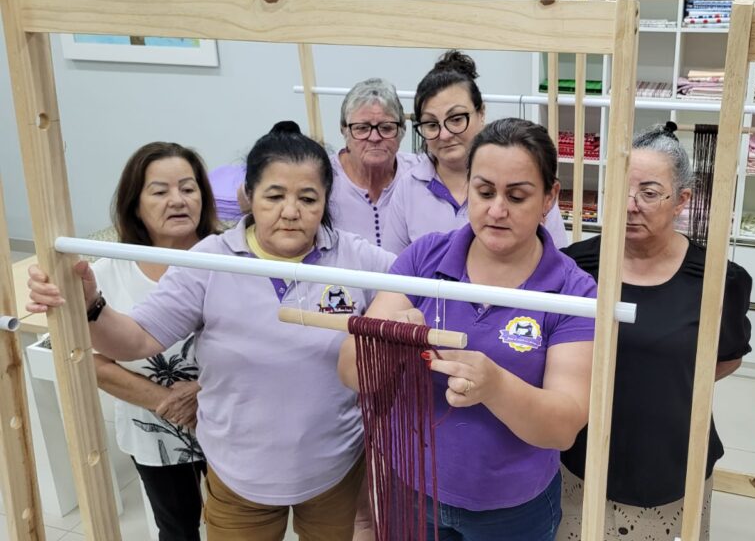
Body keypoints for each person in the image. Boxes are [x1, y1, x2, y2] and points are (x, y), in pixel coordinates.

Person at [28, 122, 396, 541]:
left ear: (326, 200)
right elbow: (136, 340)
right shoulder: (211, 260)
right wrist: (91, 305)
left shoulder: (354, 257)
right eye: (274, 196)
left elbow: (417, 282)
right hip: (238, 474)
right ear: (249, 195)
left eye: (308, 198)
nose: (291, 211)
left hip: (333, 469)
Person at [340, 117, 596, 540]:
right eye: (484, 192)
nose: (497, 210)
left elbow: (563, 426)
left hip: (514, 511)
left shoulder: (572, 291)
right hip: (411, 490)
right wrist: (386, 345)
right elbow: (351, 371)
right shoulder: (426, 258)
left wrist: (495, 387)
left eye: (517, 196)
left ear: (550, 197)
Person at [556, 122, 753, 541]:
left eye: (648, 193)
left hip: (673, 462)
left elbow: (726, 358)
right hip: (580, 459)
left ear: (682, 200)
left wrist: (663, 379)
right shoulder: (572, 267)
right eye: (621, 191)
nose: (630, 206)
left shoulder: (719, 279)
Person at [93, 141, 219, 541]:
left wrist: (203, 392)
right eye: (160, 191)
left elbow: (264, 342)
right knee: (177, 528)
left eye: (188, 188)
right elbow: (92, 362)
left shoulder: (232, 260)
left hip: (230, 421)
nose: (177, 200)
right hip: (153, 430)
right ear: (135, 205)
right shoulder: (106, 272)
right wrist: (168, 402)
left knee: (236, 527)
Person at [380, 50, 568, 254]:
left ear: (481, 113)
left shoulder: (521, 178)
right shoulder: (409, 187)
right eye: (431, 125)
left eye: (456, 119)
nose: (445, 135)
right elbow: (394, 266)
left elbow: (558, 257)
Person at [236, 78, 419, 247]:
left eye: (386, 128)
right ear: (344, 131)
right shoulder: (320, 173)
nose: (374, 137)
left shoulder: (418, 174)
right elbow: (250, 195)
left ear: (402, 130)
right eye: (362, 128)